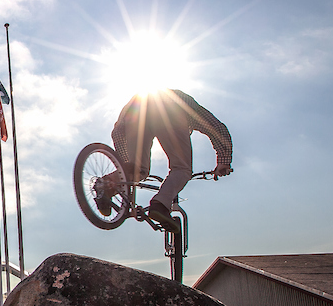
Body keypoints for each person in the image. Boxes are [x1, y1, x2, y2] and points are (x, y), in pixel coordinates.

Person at [96, 89, 232, 230]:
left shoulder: (136, 101)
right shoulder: (186, 103)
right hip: (170, 110)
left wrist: (126, 169)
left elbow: (118, 133)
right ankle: (160, 205)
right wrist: (224, 162)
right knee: (182, 169)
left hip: (135, 114)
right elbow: (216, 128)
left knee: (138, 169)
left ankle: (104, 186)